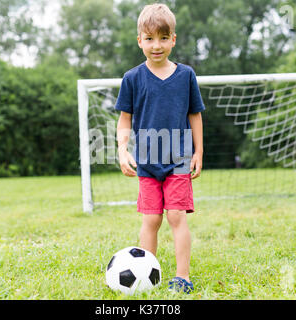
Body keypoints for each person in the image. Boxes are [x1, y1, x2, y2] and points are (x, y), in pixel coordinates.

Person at [114, 3, 205, 294]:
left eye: (163, 38)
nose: (157, 45)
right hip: (147, 160)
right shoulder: (132, 78)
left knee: (176, 216)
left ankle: (183, 277)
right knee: (151, 218)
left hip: (178, 157)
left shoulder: (186, 75)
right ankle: (144, 276)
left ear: (173, 40)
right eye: (150, 38)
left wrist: (198, 151)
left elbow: (195, 115)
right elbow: (124, 119)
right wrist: (122, 149)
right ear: (139, 40)